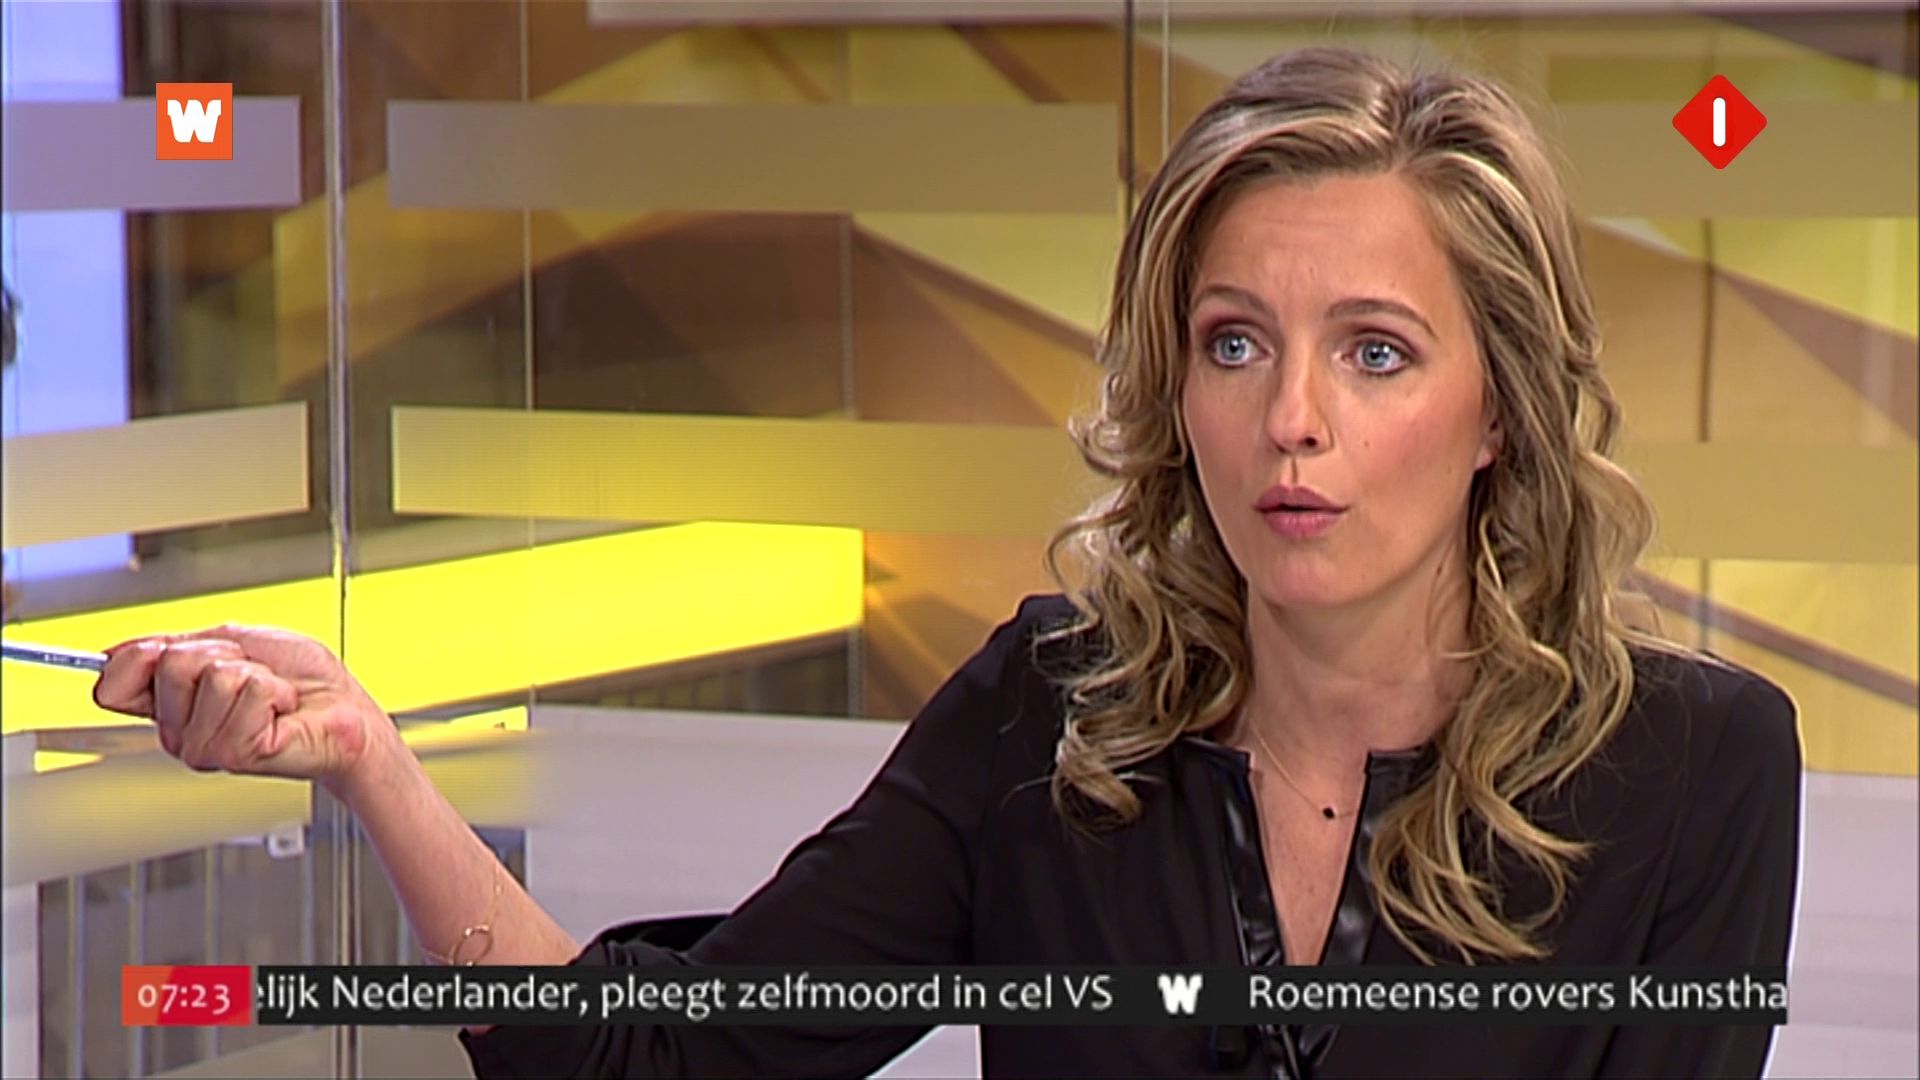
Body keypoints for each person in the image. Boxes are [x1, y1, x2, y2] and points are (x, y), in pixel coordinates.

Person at [91, 47, 1801, 1078]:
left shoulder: (1693, 771)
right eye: (1233, 343)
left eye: (1374, 353)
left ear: (1497, 407)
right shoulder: (1051, 723)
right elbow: (659, 1060)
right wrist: (372, 762)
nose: (1293, 420)